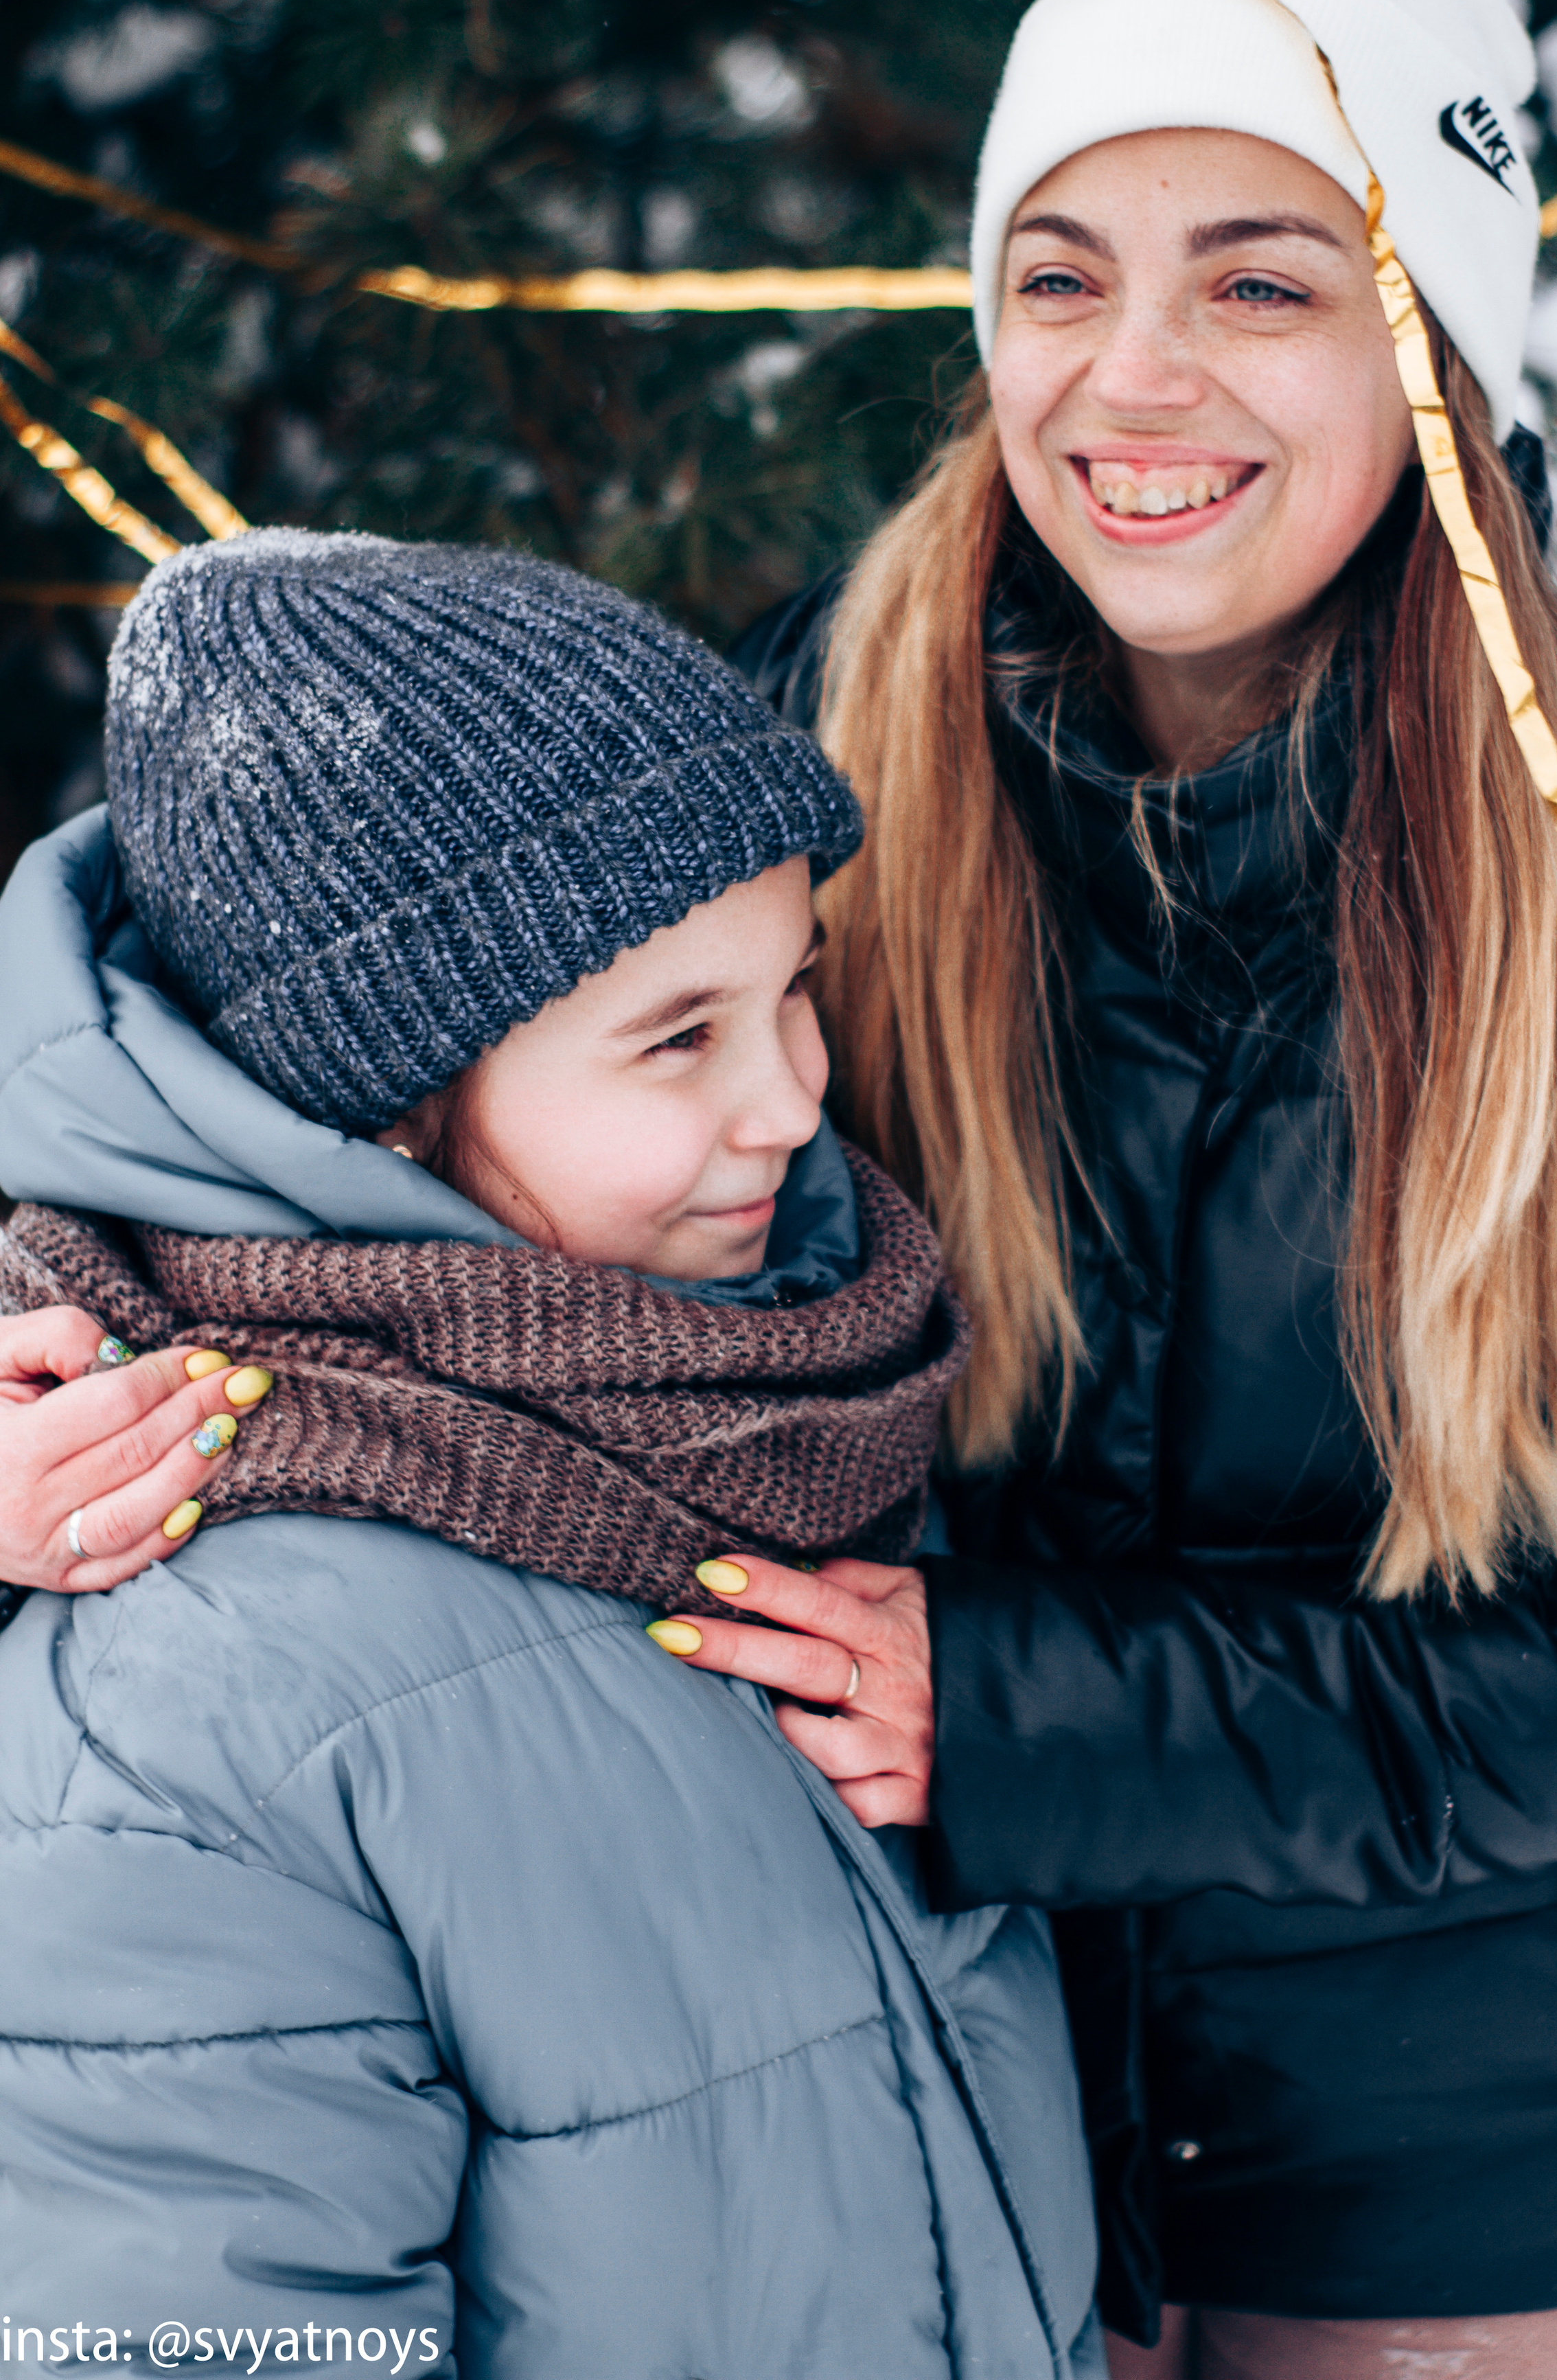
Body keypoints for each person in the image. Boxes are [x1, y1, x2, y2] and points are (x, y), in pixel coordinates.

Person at [651, 0, 1557, 2379]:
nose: (1130, 379)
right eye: (1058, 277)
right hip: (924, 2105)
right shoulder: (803, 748)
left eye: (1260, 279)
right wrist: (99, 1356)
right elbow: (446, 1170)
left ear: (1435, 340)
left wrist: (1019, 1718)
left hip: (1490, 2206)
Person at [0, 532, 1103, 2377]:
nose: (795, 1104)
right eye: (676, 1039)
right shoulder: (197, 1690)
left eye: (793, 992)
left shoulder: (789, 1401)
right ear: (395, 1112)